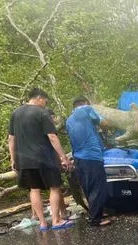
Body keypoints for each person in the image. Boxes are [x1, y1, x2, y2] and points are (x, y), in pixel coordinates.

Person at [8, 87, 73, 231]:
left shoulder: (15, 113)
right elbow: (52, 136)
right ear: (39, 98)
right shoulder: (42, 113)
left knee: (34, 189)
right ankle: (56, 220)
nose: (45, 104)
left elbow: (11, 139)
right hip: (44, 157)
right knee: (55, 187)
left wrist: (13, 158)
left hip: (24, 159)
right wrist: (63, 157)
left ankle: (43, 223)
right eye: (45, 101)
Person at [65, 96, 112, 227]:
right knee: (98, 187)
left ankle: (96, 212)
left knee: (88, 187)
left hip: (79, 158)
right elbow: (103, 122)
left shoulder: (69, 120)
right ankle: (95, 219)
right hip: (92, 156)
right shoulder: (86, 109)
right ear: (85, 104)